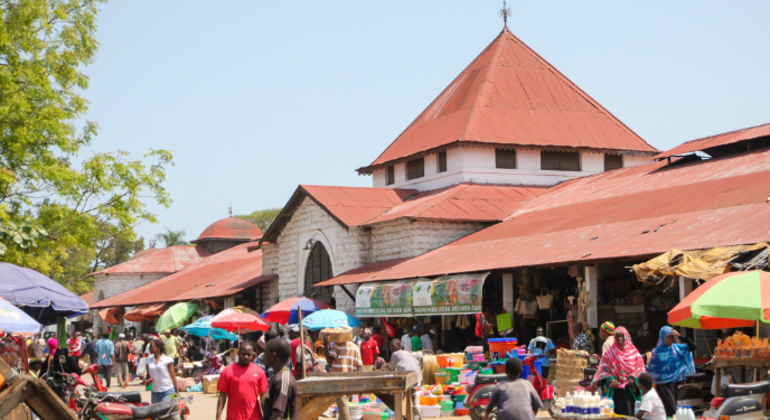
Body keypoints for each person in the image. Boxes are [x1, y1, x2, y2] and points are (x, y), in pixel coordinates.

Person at [591, 327, 646, 415]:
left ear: (627, 337)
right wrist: (611, 379)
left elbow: (641, 370)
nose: (619, 339)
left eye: (622, 336)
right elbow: (602, 371)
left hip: (630, 391)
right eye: (617, 336)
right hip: (615, 391)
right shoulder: (609, 353)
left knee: (629, 414)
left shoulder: (634, 353)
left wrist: (633, 377)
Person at [647, 326, 696, 416]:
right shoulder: (656, 352)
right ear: (662, 337)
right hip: (662, 384)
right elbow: (652, 368)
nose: (671, 339)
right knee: (672, 408)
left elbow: (692, 346)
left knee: (671, 408)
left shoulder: (676, 348)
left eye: (672, 337)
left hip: (674, 382)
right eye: (668, 337)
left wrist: (680, 336)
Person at [216, 343, 268, 420]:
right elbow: (222, 395)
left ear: (253, 355)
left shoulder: (259, 372)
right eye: (243, 354)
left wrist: (266, 416)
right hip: (233, 417)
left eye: (249, 354)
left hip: (254, 417)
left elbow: (263, 397)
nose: (246, 356)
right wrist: (218, 416)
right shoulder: (227, 371)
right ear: (238, 354)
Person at [327, 336, 363, 420]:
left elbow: (329, 361)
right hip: (351, 380)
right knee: (343, 405)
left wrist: (325, 345)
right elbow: (360, 366)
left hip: (339, 380)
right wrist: (360, 383)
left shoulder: (337, 345)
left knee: (342, 404)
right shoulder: (356, 347)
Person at [262, 338, 298, 420]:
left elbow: (278, 416)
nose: (263, 356)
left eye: (265, 352)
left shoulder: (283, 380)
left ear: (273, 356)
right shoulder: (277, 377)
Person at [145, 338, 182, 404]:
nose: (149, 348)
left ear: (158, 347)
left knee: (166, 410)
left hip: (168, 391)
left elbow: (173, 376)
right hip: (155, 392)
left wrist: (177, 392)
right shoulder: (149, 360)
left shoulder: (167, 360)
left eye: (151, 346)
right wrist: (147, 381)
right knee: (156, 413)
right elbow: (148, 375)